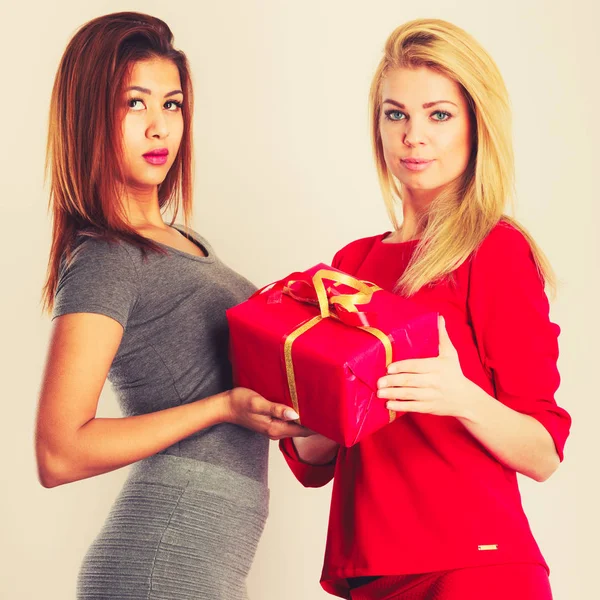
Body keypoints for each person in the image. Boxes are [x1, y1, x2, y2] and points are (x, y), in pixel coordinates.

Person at [280, 18, 571, 600]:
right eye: (396, 114)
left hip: (476, 571)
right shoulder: (351, 264)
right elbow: (318, 456)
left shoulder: (495, 249)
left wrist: (459, 394)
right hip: (370, 572)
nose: (414, 135)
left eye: (439, 115)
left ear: (474, 124)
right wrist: (300, 408)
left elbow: (543, 452)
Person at [35, 12, 308, 600]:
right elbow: (59, 452)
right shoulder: (108, 258)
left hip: (198, 560)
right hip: (161, 561)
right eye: (135, 104)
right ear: (89, 116)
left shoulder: (187, 243)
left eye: (173, 104)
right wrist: (221, 409)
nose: (159, 128)